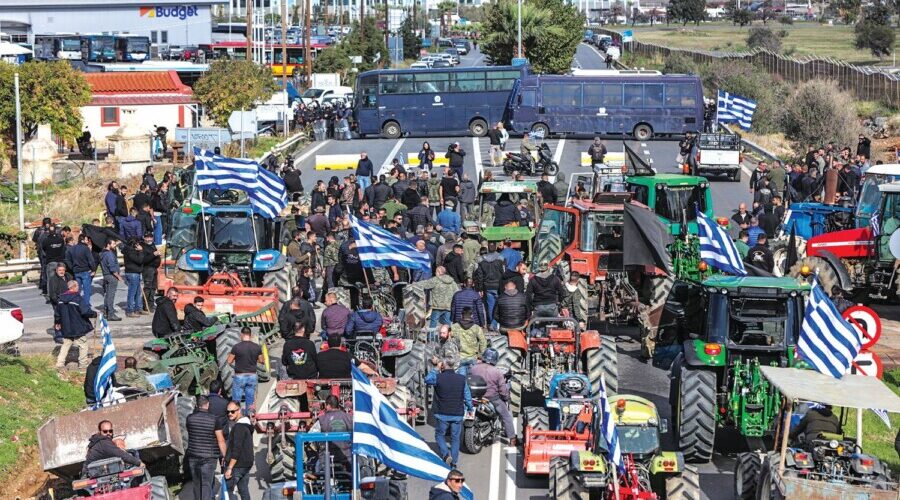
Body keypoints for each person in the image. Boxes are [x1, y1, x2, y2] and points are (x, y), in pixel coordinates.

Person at [426, 358, 473, 469]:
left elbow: (427, 379)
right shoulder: (461, 379)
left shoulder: (438, 377)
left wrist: (436, 368)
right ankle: (454, 463)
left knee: (439, 435)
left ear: (443, 365)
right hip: (457, 414)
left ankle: (446, 455)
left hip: (442, 413)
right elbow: (467, 395)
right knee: (455, 438)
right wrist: (470, 408)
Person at [468, 348, 516, 446]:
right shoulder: (497, 372)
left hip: (474, 397)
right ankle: (512, 439)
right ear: (495, 359)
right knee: (506, 416)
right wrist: (506, 398)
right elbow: (503, 390)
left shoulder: (473, 368)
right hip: (492, 399)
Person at [185, 395, 227, 500]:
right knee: (206, 485)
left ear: (197, 405)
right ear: (207, 405)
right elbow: (221, 440)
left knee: (196, 484)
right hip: (209, 457)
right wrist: (225, 456)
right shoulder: (215, 419)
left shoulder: (189, 418)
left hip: (193, 456)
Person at [57, 280, 96, 370]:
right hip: (77, 326)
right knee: (83, 345)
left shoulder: (61, 299)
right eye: (77, 285)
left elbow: (57, 313)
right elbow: (85, 311)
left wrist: (57, 322)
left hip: (66, 326)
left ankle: (59, 363)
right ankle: (83, 364)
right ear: (73, 287)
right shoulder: (77, 298)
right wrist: (94, 314)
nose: (78, 287)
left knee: (66, 344)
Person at [227, 327, 264, 415]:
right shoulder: (257, 347)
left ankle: (236, 416)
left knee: (236, 400)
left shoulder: (236, 347)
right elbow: (262, 361)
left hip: (239, 376)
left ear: (241, 335)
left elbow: (229, 361)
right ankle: (249, 416)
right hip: (252, 375)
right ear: (250, 335)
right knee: (250, 399)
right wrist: (254, 359)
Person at [223, 401, 254, 500]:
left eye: (232, 411)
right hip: (246, 464)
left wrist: (229, 468)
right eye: (228, 412)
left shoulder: (239, 427)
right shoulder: (246, 424)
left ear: (239, 410)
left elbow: (237, 449)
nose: (229, 414)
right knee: (243, 490)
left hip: (237, 465)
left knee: (227, 492)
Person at [66, 234, 96, 310]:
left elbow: (67, 259)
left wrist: (72, 268)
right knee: (87, 290)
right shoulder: (85, 248)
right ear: (82, 240)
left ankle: (77, 304)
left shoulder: (72, 248)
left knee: (77, 289)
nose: (87, 241)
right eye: (86, 240)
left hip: (76, 271)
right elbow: (91, 260)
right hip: (85, 271)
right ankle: (86, 306)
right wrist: (93, 269)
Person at [99, 237, 123, 321]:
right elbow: (112, 267)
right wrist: (118, 276)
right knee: (110, 296)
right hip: (111, 276)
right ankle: (111, 314)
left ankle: (106, 312)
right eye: (113, 244)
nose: (115, 245)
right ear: (108, 245)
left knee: (107, 295)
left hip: (106, 275)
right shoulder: (109, 254)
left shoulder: (102, 253)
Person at [48, 263, 72, 342]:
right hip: (58, 301)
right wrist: (58, 302)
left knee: (67, 317)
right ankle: (58, 334)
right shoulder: (53, 279)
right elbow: (52, 293)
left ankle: (67, 333)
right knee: (58, 317)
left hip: (68, 300)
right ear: (56, 270)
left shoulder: (68, 276)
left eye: (63, 270)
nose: (61, 272)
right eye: (59, 270)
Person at [140, 233, 161, 313]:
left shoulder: (152, 245)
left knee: (153, 287)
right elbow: (144, 260)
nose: (149, 239)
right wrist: (154, 254)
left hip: (154, 268)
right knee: (148, 287)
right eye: (147, 237)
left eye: (150, 237)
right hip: (148, 269)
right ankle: (145, 305)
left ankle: (151, 304)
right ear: (144, 238)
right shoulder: (143, 247)